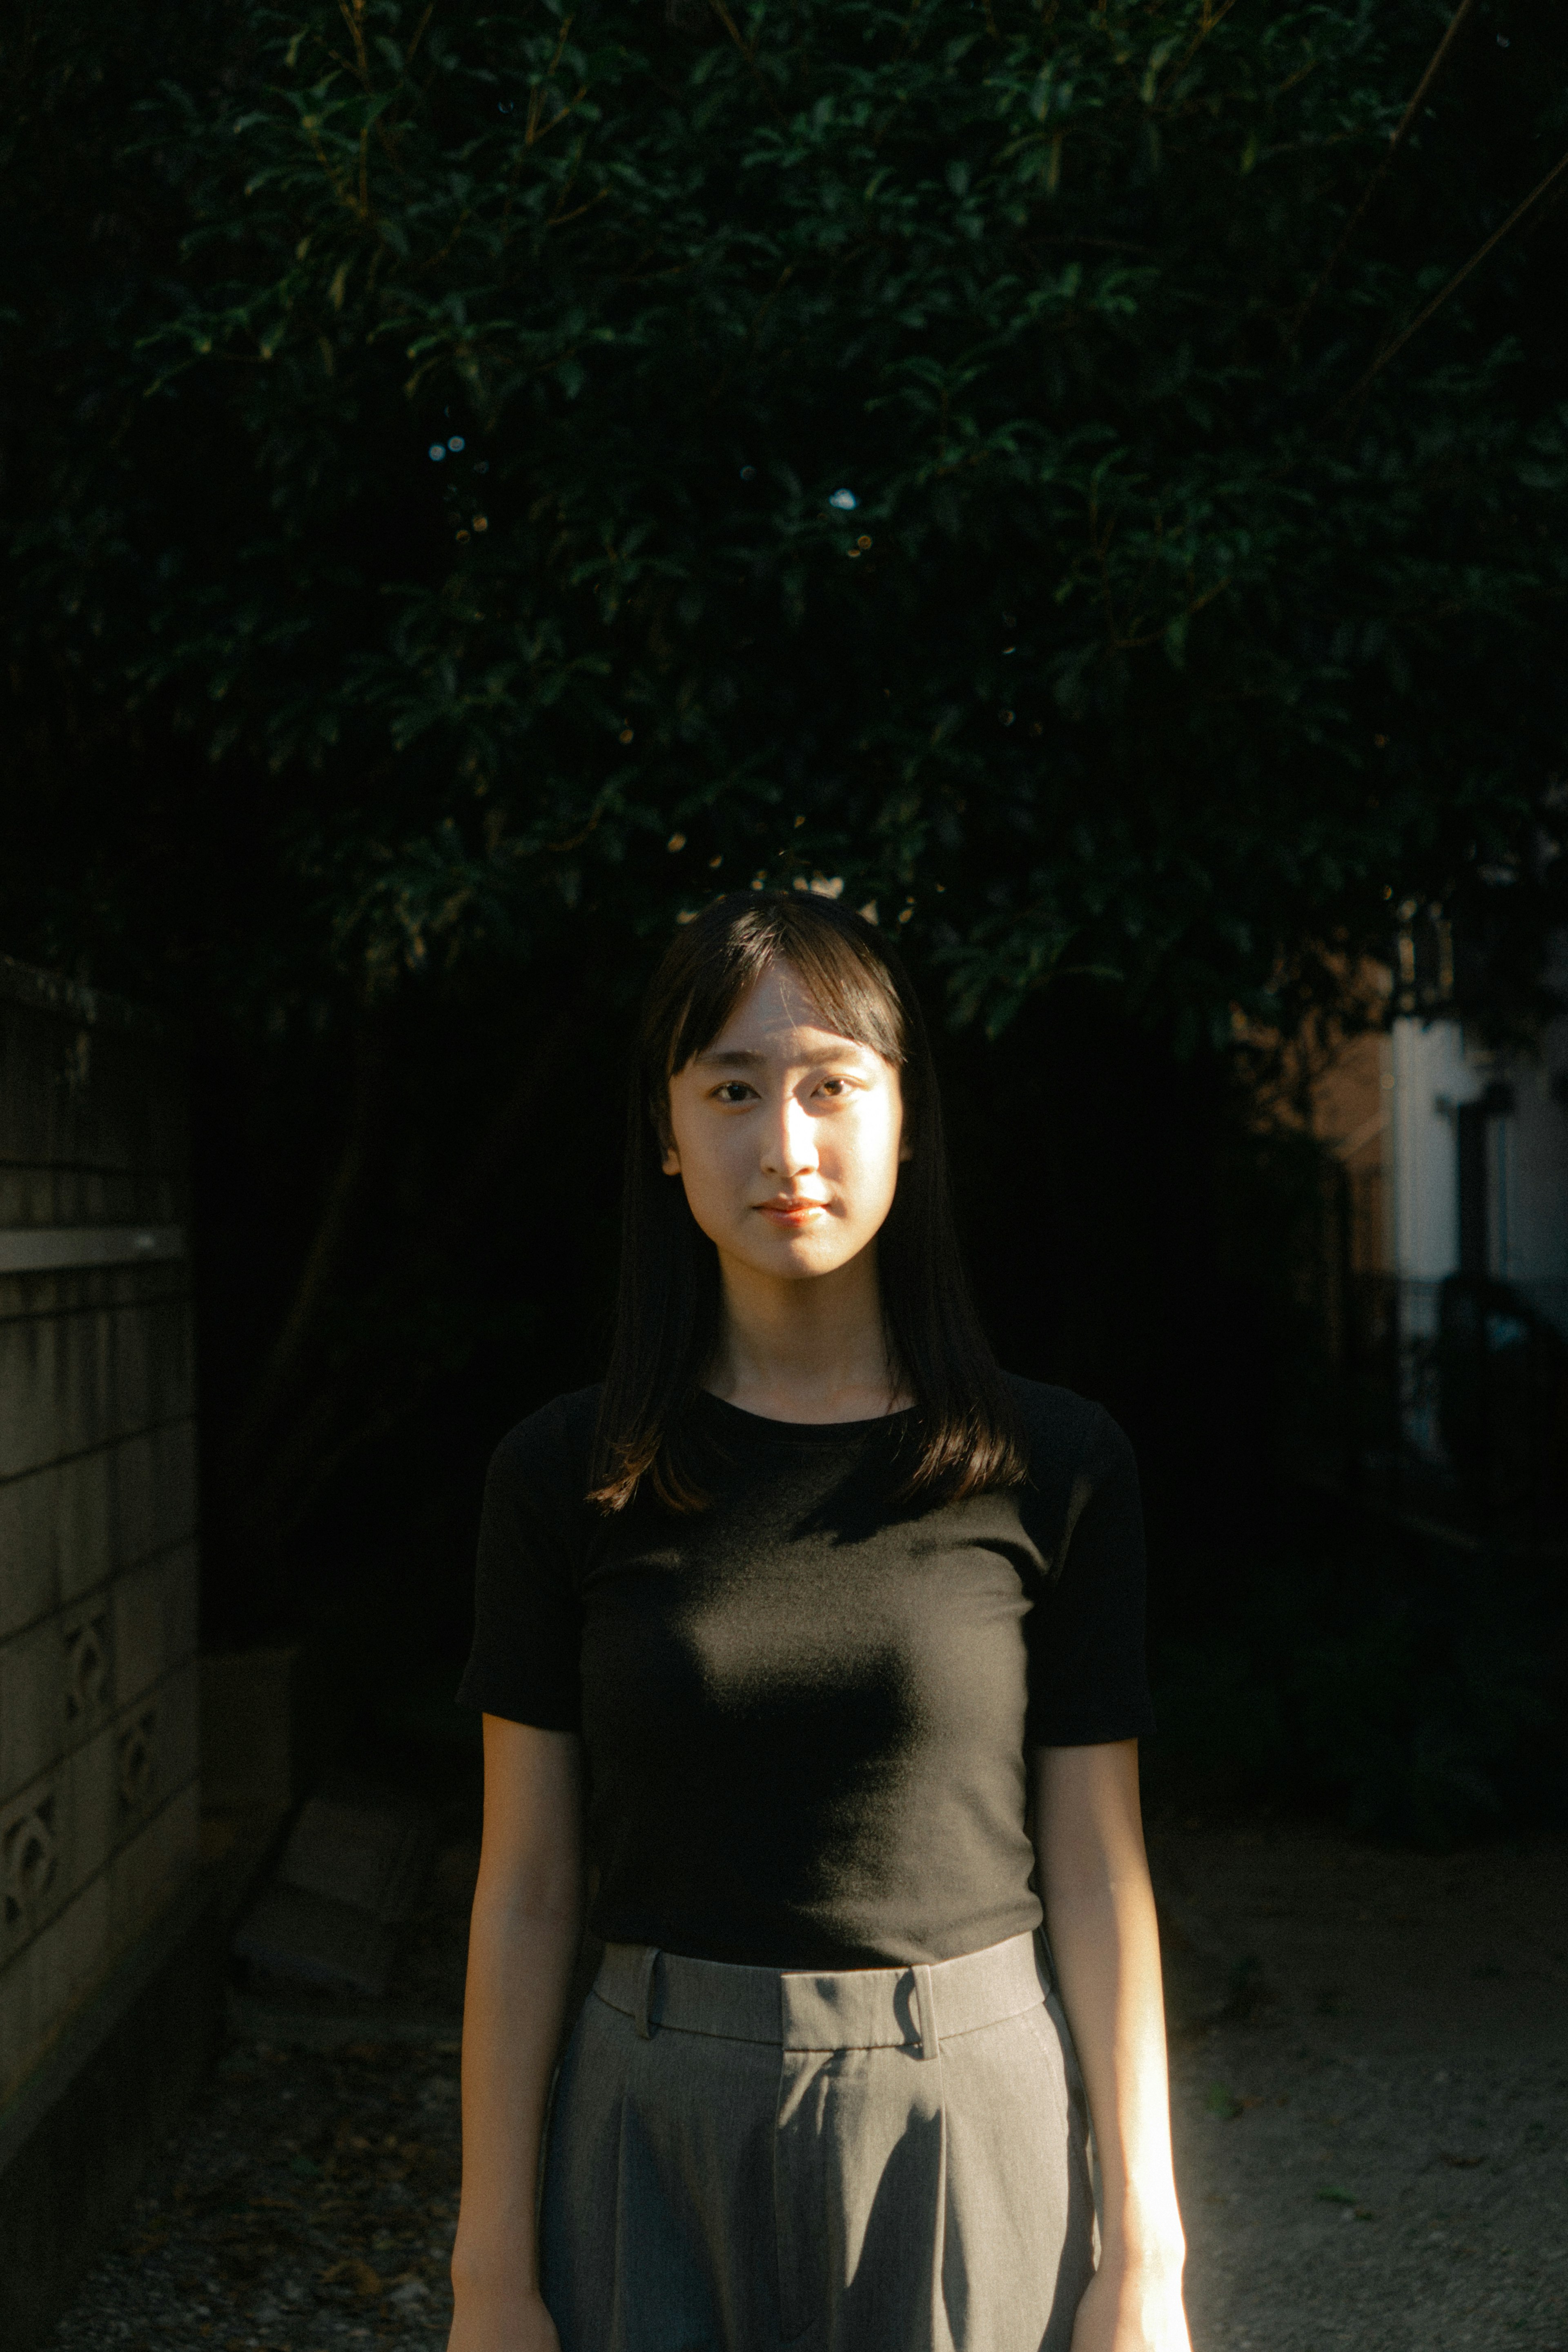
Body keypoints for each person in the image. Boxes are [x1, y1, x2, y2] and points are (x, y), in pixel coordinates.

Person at [448, 892, 1190, 2352]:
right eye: (731, 1090)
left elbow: (1102, 1878)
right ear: (667, 1134)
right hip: (645, 2118)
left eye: (831, 1085)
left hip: (967, 2117)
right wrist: (492, 2269)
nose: (785, 1147)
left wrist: (1147, 2257)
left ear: (907, 1119)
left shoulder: (1057, 1465)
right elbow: (527, 1885)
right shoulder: (563, 1477)